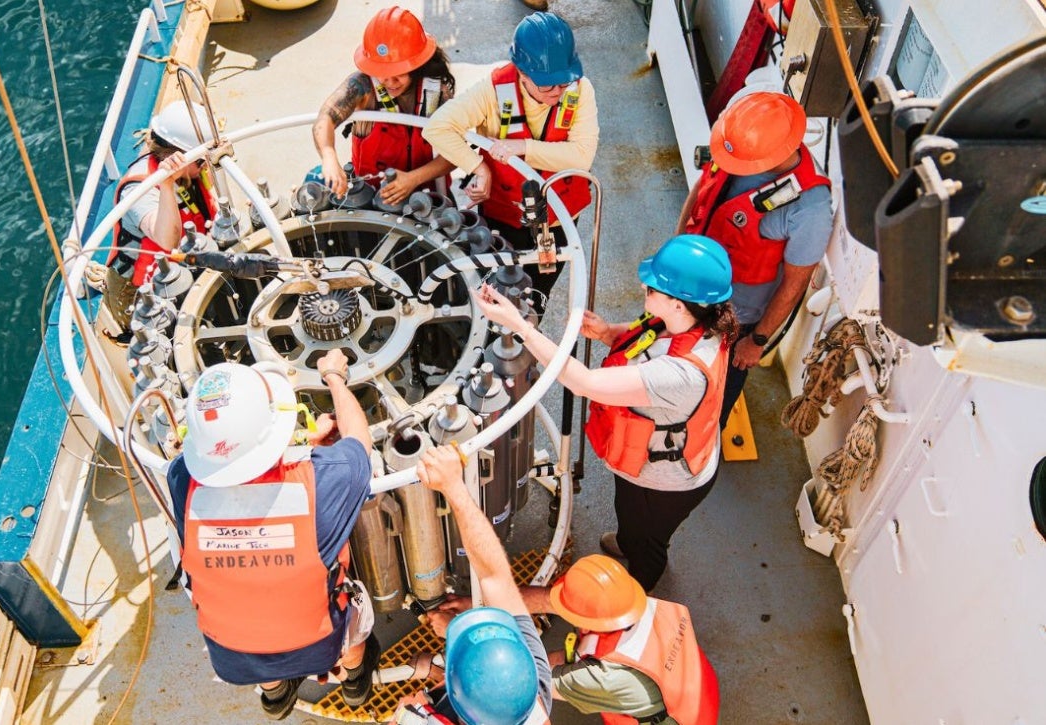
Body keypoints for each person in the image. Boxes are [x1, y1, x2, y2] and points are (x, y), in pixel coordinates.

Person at [474, 235, 739, 591]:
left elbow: (582, 381)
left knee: (649, 542)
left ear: (679, 304)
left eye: (654, 287)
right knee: (630, 515)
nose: (645, 287)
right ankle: (629, 539)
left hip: (665, 482)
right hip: (649, 466)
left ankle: (636, 590)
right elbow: (646, 336)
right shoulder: (697, 321)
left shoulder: (680, 376)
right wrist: (606, 333)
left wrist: (520, 327)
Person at [167, 350, 382, 720]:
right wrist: (333, 377)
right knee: (353, 617)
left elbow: (231, 485)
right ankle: (354, 679)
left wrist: (301, 444)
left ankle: (275, 695)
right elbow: (359, 443)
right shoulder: (327, 481)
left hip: (231, 655)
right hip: (319, 646)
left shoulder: (180, 480)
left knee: (254, 624)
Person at [676, 91, 833, 426]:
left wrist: (757, 341)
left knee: (714, 399)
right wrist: (675, 252)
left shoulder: (811, 208)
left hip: (737, 316)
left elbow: (796, 282)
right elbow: (703, 190)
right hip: (689, 281)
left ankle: (699, 448)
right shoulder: (737, 140)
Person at [423, 11, 598, 304]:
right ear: (521, 72)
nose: (557, 91)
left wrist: (522, 147)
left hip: (558, 220)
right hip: (504, 219)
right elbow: (437, 127)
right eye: (546, 84)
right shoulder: (491, 92)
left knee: (536, 299)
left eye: (562, 82)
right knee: (496, 293)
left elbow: (581, 157)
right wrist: (479, 168)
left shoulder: (580, 91)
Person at [437, 555, 720, 725]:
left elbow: (519, 682)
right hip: (695, 688)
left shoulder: (606, 678)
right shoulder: (627, 601)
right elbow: (548, 600)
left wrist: (462, 632)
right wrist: (476, 605)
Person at [392, 444, 553, 724]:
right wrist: (454, 486)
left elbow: (494, 576)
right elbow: (494, 576)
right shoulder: (532, 688)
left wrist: (452, 486)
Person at [93, 101, 219, 339]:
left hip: (185, 265)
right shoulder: (139, 190)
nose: (206, 166)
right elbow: (167, 240)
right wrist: (167, 184)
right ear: (176, 158)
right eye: (201, 161)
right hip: (142, 293)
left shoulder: (189, 171)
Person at [313, 6, 456, 206]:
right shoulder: (362, 87)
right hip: (369, 194)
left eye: (398, 72)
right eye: (382, 72)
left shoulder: (436, 93)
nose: (389, 82)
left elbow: (456, 152)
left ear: (416, 65)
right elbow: (325, 119)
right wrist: (328, 156)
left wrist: (413, 179)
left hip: (426, 193)